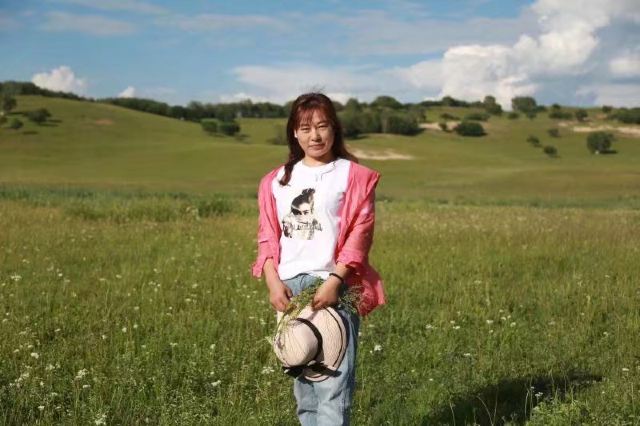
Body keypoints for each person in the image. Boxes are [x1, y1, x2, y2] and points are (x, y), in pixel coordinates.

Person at [252, 92, 385, 425]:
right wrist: (272, 282)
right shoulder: (275, 181)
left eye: (322, 126)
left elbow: (360, 233)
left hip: (332, 286)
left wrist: (336, 281)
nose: (315, 135)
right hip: (289, 289)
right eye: (305, 128)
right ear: (294, 133)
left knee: (333, 391)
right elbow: (267, 235)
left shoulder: (353, 176)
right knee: (304, 387)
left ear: (334, 129)